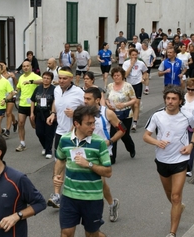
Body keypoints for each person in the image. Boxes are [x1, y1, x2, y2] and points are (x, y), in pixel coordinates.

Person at [143, 85, 194, 237]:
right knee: (169, 194)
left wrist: (191, 145)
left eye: (174, 99)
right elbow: (146, 136)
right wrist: (157, 142)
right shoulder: (157, 116)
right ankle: (178, 207)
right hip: (162, 160)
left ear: (180, 101)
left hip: (180, 159)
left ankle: (172, 233)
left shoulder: (187, 115)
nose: (170, 101)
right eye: (168, 98)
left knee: (176, 196)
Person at [52, 105, 112, 237]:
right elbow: (61, 160)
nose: (93, 127)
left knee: (91, 234)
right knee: (66, 233)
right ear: (76, 124)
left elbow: (108, 172)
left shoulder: (99, 143)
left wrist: (89, 164)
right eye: (89, 124)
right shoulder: (65, 140)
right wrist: (56, 175)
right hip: (69, 197)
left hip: (92, 198)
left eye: (94, 123)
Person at [84, 87, 125, 222]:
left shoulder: (108, 113)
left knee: (97, 180)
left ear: (97, 100)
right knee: (98, 183)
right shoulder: (83, 112)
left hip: (103, 152)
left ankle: (93, 213)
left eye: (88, 99)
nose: (85, 101)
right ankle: (112, 203)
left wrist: (110, 141)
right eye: (84, 98)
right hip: (86, 150)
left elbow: (122, 129)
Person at [46, 67, 84, 208]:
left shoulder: (79, 92)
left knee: (76, 164)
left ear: (71, 79)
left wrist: (75, 113)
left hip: (76, 134)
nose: (61, 81)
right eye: (60, 78)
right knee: (58, 163)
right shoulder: (56, 90)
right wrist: (53, 113)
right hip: (61, 132)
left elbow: (89, 109)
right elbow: (56, 102)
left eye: (64, 78)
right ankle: (56, 195)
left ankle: (78, 192)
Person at [105, 67, 137, 164]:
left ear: (122, 76)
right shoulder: (110, 86)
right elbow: (106, 98)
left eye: (118, 75)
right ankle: (112, 157)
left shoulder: (128, 86)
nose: (116, 77)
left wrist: (124, 104)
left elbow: (134, 99)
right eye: (114, 75)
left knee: (124, 135)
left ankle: (131, 148)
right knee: (113, 135)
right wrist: (108, 104)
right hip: (113, 115)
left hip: (125, 114)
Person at [15, 61, 43, 152]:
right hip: (23, 104)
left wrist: (31, 82)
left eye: (27, 66)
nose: (25, 68)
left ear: (31, 67)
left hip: (33, 105)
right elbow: (18, 88)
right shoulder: (21, 77)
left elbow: (43, 80)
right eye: (24, 66)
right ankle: (22, 143)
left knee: (35, 126)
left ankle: (44, 141)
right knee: (20, 123)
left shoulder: (34, 75)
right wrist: (14, 92)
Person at [30, 72, 57, 159]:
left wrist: (53, 112)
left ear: (51, 80)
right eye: (44, 78)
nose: (45, 80)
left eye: (48, 78)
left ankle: (48, 150)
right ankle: (45, 146)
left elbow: (55, 101)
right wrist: (32, 113)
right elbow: (33, 100)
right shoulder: (38, 88)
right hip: (39, 113)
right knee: (39, 132)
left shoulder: (54, 89)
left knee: (49, 133)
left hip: (49, 113)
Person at [122, 48, 148, 131]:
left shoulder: (141, 63)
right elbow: (125, 75)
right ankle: (135, 114)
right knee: (132, 105)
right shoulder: (126, 63)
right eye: (132, 55)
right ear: (130, 56)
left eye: (136, 55)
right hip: (129, 85)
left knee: (136, 104)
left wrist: (143, 78)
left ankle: (134, 123)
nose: (134, 57)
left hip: (138, 84)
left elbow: (145, 72)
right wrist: (131, 64)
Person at [0, 61, 18, 137]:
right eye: (0, 66)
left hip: (11, 95)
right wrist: (6, 77)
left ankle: (7, 130)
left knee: (8, 113)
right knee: (7, 112)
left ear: (5, 66)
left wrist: (14, 77)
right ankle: (14, 121)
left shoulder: (11, 74)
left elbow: (16, 84)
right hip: (2, 96)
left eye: (2, 65)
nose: (1, 67)